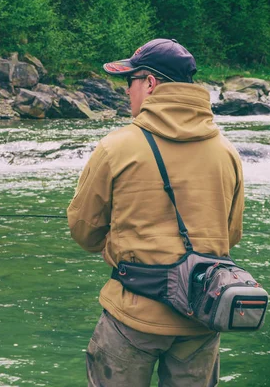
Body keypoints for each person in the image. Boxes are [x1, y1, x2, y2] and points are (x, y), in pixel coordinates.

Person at [67, 38, 245, 387]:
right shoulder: (227, 151)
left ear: (150, 83)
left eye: (129, 81)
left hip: (132, 318)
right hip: (201, 319)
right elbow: (231, 235)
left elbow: (84, 231)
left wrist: (113, 244)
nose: (126, 91)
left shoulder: (115, 147)